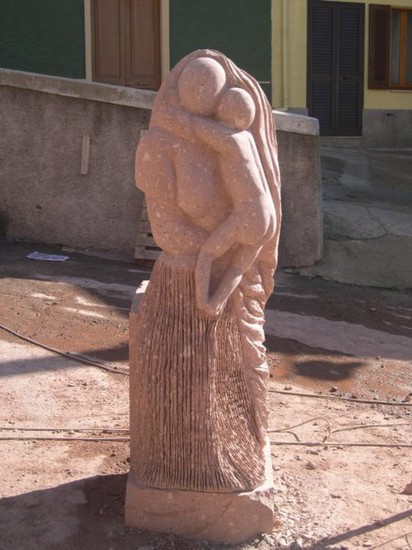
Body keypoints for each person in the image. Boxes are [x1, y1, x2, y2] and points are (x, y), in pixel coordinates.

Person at [130, 50, 281, 493]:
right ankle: (174, 467)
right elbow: (167, 231)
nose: (199, 94)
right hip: (186, 270)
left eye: (208, 89)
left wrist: (222, 256)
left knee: (231, 341)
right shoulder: (160, 145)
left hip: (225, 255)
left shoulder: (233, 140)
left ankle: (232, 457)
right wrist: (212, 254)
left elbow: (250, 218)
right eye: (191, 86)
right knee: (178, 374)